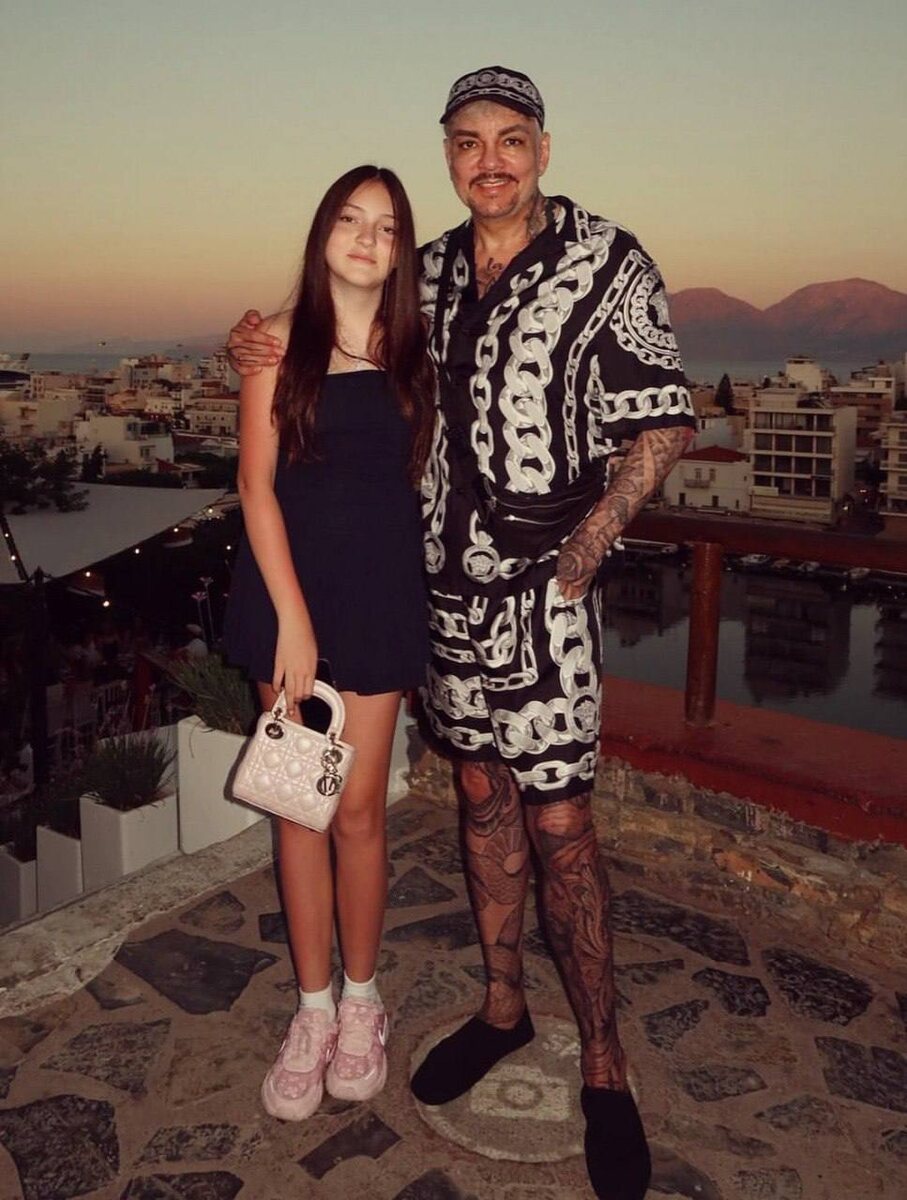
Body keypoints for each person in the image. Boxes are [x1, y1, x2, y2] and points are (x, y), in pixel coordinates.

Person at [228, 69, 695, 1200]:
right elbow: (321, 347)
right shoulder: (425, 275)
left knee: (562, 824)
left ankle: (603, 1067)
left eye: (511, 139)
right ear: (447, 154)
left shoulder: (607, 260)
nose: (490, 159)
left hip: (543, 599)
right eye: (468, 141)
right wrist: (251, 339)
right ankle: (499, 1007)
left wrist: (582, 557)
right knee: (480, 801)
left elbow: (660, 425)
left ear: (543, 149)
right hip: (435, 595)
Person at [222, 165, 435, 1122]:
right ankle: (311, 1012)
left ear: (400, 251)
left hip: (381, 597)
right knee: (298, 811)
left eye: (385, 227)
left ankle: (361, 1001)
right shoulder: (273, 344)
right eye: (350, 218)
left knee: (357, 815)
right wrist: (293, 623)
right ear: (322, 233)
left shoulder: (417, 347)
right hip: (291, 601)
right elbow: (256, 488)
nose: (365, 237)